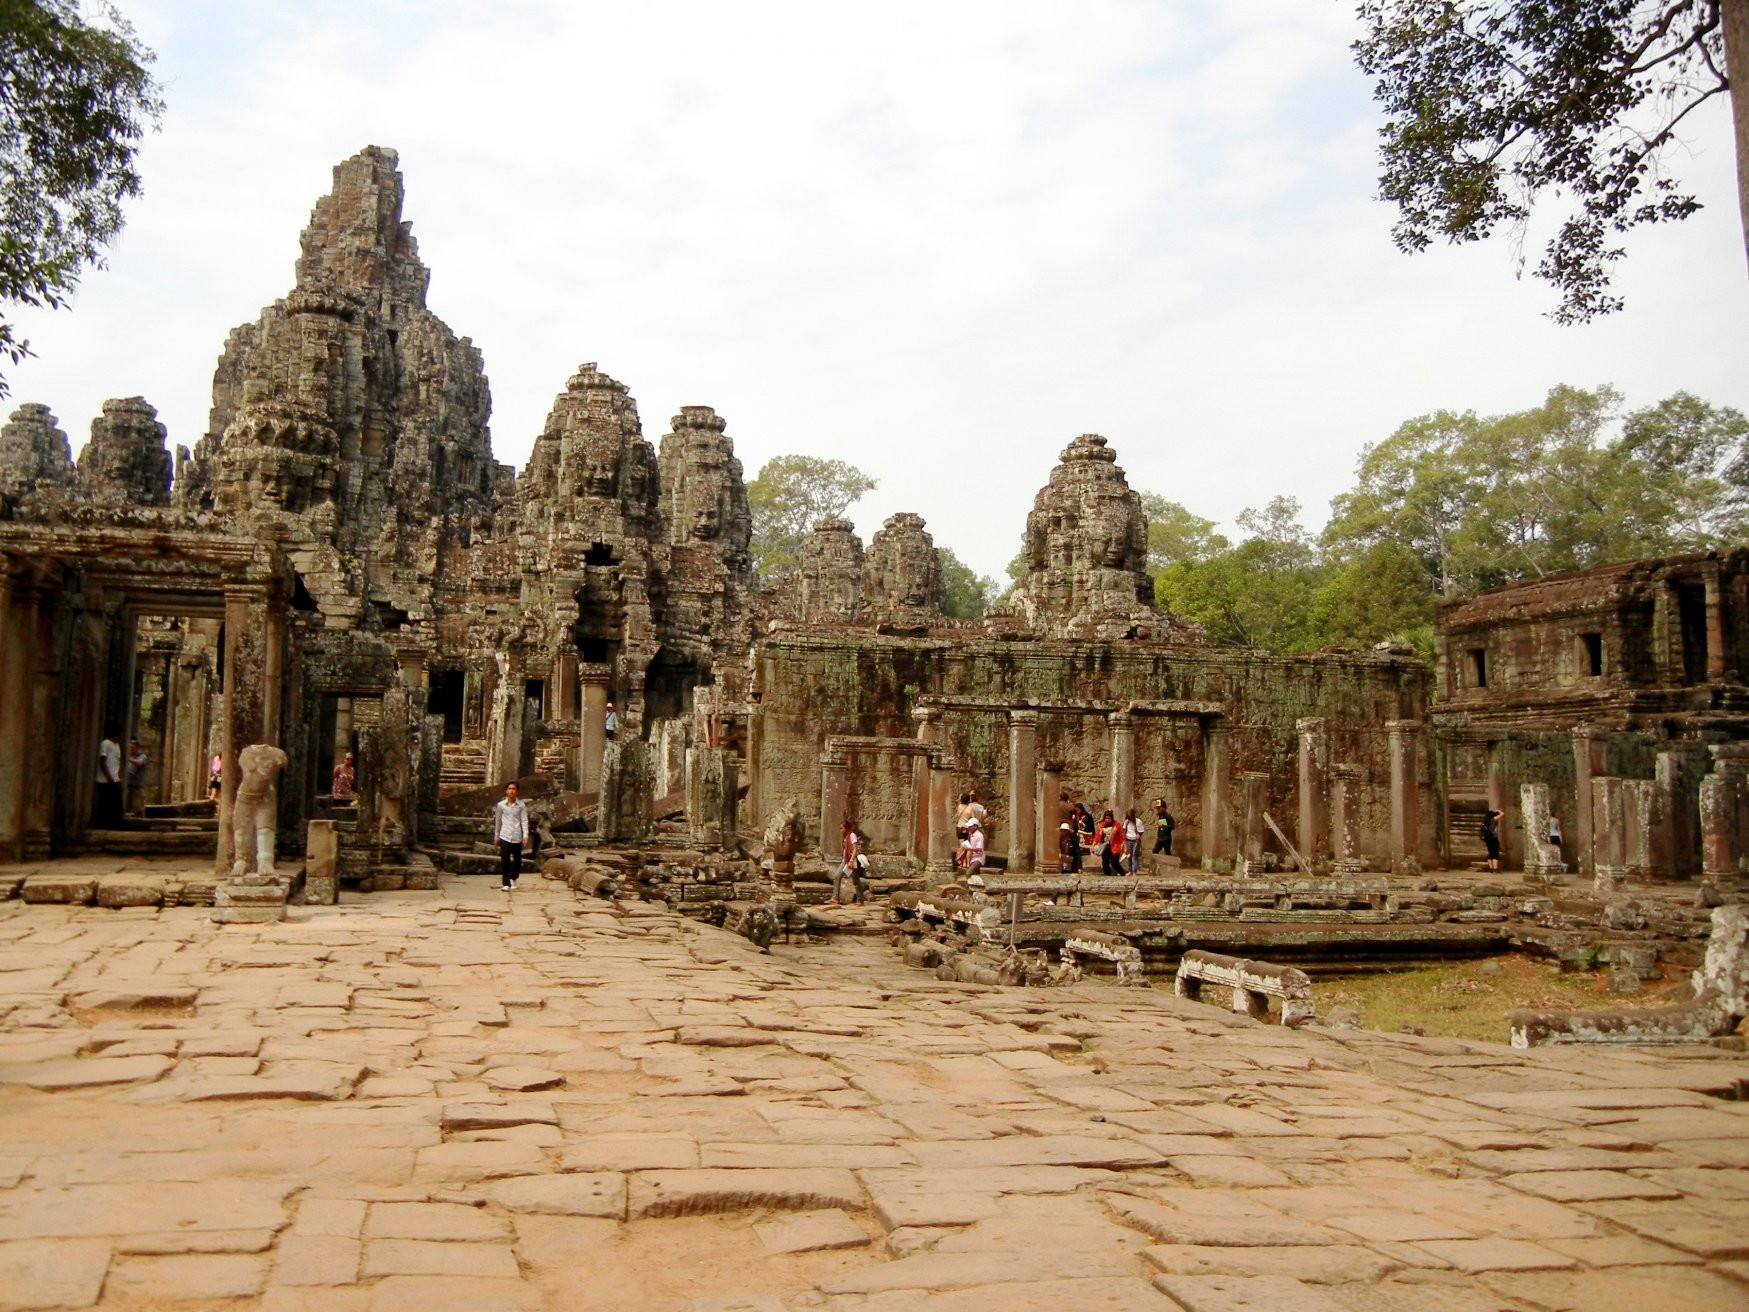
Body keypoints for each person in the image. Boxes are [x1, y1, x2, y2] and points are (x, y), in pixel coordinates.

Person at [493, 780, 530, 891]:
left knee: (517, 860)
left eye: (513, 789)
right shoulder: (501, 805)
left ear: (517, 791)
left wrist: (525, 835)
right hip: (505, 835)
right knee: (505, 861)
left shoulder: (521, 805)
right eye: (509, 789)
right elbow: (498, 821)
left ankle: (514, 878)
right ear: (506, 791)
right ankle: (506, 883)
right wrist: (496, 837)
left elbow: (524, 820)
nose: (511, 791)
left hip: (517, 836)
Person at [96, 731, 123, 828]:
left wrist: (118, 777)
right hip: (105, 780)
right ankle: (103, 824)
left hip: (115, 779)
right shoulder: (105, 744)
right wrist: (110, 778)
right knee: (105, 803)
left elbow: (118, 762)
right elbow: (102, 762)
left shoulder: (117, 746)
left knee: (115, 805)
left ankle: (114, 824)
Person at [125, 739, 148, 819]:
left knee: (138, 807)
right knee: (127, 806)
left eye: (133, 747)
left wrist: (128, 759)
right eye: (130, 747)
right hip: (128, 785)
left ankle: (140, 822)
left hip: (137, 786)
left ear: (137, 748)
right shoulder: (128, 757)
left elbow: (139, 763)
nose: (131, 749)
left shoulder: (142, 756)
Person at [1096, 809, 1119, 875]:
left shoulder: (1115, 825)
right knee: (1105, 861)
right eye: (1106, 818)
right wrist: (1096, 843)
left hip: (1113, 845)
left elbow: (1119, 835)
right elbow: (1098, 835)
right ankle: (1107, 873)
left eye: (1109, 818)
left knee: (1114, 861)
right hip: (1105, 845)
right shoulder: (1102, 825)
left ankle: (1115, 872)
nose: (1107, 820)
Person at [1481, 808, 1503, 873]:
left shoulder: (1485, 822)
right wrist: (1499, 811)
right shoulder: (1493, 819)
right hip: (1493, 838)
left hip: (1488, 838)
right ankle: (1495, 869)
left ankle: (1491, 868)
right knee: (1495, 853)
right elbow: (1502, 814)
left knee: (1490, 853)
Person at [1123, 807, 1143, 874]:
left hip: (1135, 840)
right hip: (1128, 839)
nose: (1129, 819)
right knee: (1129, 855)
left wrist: (1139, 834)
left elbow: (1141, 831)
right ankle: (1130, 870)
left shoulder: (1138, 821)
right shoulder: (1126, 822)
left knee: (1134, 856)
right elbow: (1124, 830)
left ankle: (1134, 871)